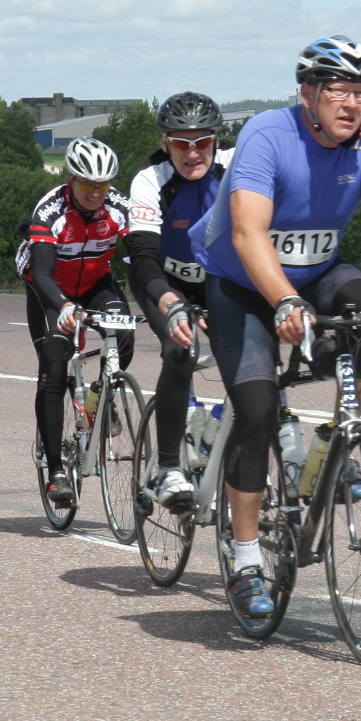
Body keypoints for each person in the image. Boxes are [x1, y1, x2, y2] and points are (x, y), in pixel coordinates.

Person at [192, 36, 361, 617]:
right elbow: (248, 232)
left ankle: (333, 447)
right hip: (241, 281)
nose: (352, 103)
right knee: (257, 412)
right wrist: (285, 302)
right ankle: (246, 561)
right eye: (339, 90)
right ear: (308, 94)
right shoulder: (269, 135)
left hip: (317, 271)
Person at [17, 136, 136, 510]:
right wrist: (65, 307)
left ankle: (101, 398)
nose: (96, 192)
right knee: (55, 363)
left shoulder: (118, 207)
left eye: (104, 184)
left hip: (96, 282)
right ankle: (55, 472)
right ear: (71, 178)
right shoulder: (50, 210)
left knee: (125, 334)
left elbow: (146, 252)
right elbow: (43, 273)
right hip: (49, 286)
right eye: (88, 184)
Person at [124, 92, 229, 508]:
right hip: (160, 280)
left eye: (202, 141)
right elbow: (143, 258)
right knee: (180, 351)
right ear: (166, 143)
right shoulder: (150, 179)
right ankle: (169, 467)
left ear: (216, 140)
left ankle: (215, 432)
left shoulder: (235, 166)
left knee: (255, 355)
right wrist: (169, 301)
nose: (193, 152)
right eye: (182, 143)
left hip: (217, 279)